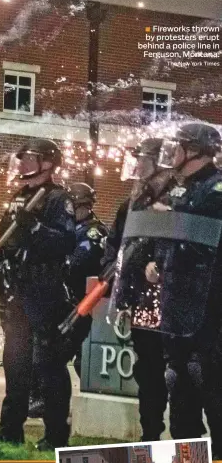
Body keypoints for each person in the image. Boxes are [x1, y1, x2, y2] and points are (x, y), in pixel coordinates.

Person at [105, 137, 205, 442]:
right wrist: (115, 280)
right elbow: (116, 245)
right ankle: (150, 435)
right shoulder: (132, 203)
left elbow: (180, 242)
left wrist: (155, 262)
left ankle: (185, 437)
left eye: (143, 160)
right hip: (140, 300)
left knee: (180, 372)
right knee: (147, 372)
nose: (137, 167)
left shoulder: (177, 199)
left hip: (172, 299)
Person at [0, 138, 76, 450]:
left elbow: (65, 243)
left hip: (45, 291)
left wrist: (35, 228)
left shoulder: (58, 199)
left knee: (48, 366)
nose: (23, 163)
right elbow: (5, 239)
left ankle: (55, 434)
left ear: (49, 162)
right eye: (22, 158)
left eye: (31, 158)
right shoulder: (18, 197)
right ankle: (10, 429)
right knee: (15, 362)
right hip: (17, 291)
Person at [143, 124, 222, 457]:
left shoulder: (216, 188)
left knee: (211, 389)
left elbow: (207, 238)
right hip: (177, 307)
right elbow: (173, 241)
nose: (172, 153)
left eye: (179, 146)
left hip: (208, 309)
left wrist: (172, 218)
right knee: (179, 389)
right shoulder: (180, 189)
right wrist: (156, 262)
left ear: (195, 151)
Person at [28, 182, 108, 418]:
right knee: (47, 354)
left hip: (82, 304)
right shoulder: (69, 229)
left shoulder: (92, 230)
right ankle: (42, 399)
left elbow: (78, 263)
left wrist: (56, 263)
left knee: (72, 359)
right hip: (65, 301)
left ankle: (84, 404)